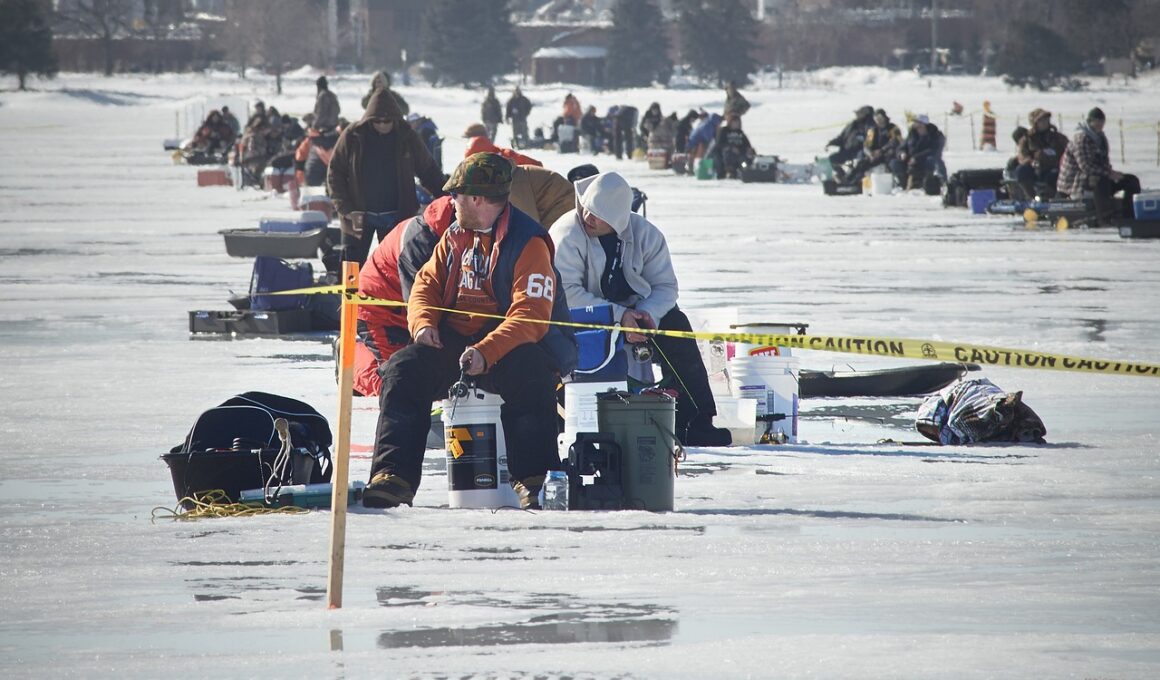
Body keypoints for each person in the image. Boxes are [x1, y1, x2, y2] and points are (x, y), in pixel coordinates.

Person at [362, 152, 577, 509]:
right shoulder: (454, 235)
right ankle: (393, 476)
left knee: (531, 372)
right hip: (457, 341)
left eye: (456, 195)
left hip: (509, 343)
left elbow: (530, 316)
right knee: (403, 369)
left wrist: (485, 352)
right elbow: (425, 285)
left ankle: (534, 479)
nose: (451, 202)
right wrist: (423, 323)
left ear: (477, 198)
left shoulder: (530, 243)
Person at [549, 171, 731, 447]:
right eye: (586, 209)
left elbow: (665, 286)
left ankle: (696, 421)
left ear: (617, 220)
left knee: (677, 325)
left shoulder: (647, 235)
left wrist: (647, 316)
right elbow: (566, 293)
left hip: (636, 313)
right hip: (582, 319)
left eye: (597, 215)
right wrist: (620, 317)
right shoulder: (566, 233)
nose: (587, 217)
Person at [326, 89, 446, 265]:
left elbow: (428, 170)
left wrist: (447, 196)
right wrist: (345, 208)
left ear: (395, 119)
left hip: (396, 216)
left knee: (396, 268)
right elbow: (335, 172)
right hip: (358, 216)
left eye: (387, 121)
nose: (382, 125)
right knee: (351, 269)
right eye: (377, 121)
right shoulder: (353, 135)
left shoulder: (407, 136)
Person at [1057, 107, 1141, 225]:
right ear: (1090, 121)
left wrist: (1113, 174)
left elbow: (1104, 163)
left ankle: (1129, 214)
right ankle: (1104, 218)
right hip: (1075, 183)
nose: (1100, 124)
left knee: (1131, 180)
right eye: (1097, 121)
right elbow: (1086, 167)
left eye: (1102, 122)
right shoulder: (1081, 139)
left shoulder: (1101, 138)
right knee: (1100, 179)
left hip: (1096, 177)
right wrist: (1109, 174)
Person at [1014, 108, 1069, 200]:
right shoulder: (1027, 139)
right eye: (1041, 120)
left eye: (1046, 120)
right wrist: (1031, 162)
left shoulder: (1058, 138)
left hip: (1054, 168)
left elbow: (1068, 151)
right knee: (1021, 171)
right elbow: (1022, 155)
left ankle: (1049, 197)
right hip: (1035, 168)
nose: (1044, 123)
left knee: (1054, 177)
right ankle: (1031, 197)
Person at [847, 108, 902, 183]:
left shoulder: (892, 128)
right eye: (876, 119)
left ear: (884, 117)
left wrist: (882, 150)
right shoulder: (872, 130)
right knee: (862, 163)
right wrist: (870, 153)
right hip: (874, 155)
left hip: (888, 153)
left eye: (880, 118)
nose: (878, 120)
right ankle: (851, 181)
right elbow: (866, 144)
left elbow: (895, 141)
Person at [892, 114, 945, 192]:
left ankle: (928, 184)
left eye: (917, 122)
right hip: (910, 159)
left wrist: (916, 158)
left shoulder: (935, 135)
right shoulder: (912, 134)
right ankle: (904, 184)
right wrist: (902, 153)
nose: (915, 124)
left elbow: (933, 150)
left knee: (931, 160)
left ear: (923, 124)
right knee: (895, 163)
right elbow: (903, 146)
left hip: (925, 159)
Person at [827, 105, 874, 179]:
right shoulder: (851, 125)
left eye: (860, 113)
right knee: (833, 158)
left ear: (866, 115)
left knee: (859, 161)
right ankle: (842, 177)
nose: (857, 115)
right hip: (847, 151)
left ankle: (855, 179)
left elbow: (870, 141)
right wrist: (831, 143)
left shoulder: (870, 126)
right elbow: (841, 137)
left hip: (860, 152)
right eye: (857, 113)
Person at [713, 114, 756, 179]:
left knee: (743, 161)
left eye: (737, 123)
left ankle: (745, 170)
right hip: (726, 154)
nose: (736, 124)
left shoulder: (740, 133)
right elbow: (719, 144)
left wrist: (749, 150)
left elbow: (747, 145)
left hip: (739, 154)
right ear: (730, 122)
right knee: (729, 153)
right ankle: (729, 171)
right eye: (734, 122)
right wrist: (731, 147)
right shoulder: (724, 131)